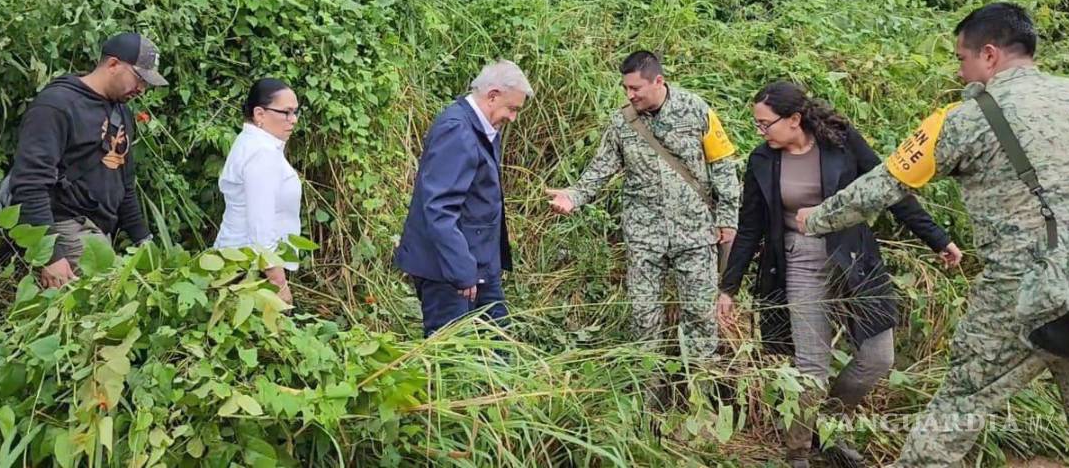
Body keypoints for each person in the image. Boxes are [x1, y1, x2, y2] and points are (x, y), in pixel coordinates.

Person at [796, 2, 1069, 468]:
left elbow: (884, 185)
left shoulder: (964, 118)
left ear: (989, 55)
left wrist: (818, 218)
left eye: (961, 59)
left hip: (1019, 290)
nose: (960, 71)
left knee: (957, 410)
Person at [717, 81, 961, 468]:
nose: (760, 132)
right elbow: (749, 228)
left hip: (854, 260)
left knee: (878, 357)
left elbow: (890, 189)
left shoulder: (841, 143)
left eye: (765, 124)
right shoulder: (762, 161)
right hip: (799, 263)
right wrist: (728, 287)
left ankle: (825, 426)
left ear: (794, 119)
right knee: (811, 367)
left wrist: (937, 239)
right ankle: (799, 451)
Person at [546, 51, 740, 359]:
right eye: (625, 88)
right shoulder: (622, 122)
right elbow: (601, 169)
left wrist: (728, 219)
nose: (629, 94)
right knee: (643, 318)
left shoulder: (696, 110)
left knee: (700, 318)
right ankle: (646, 394)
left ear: (658, 81)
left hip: (695, 234)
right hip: (644, 237)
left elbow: (723, 166)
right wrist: (574, 196)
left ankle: (698, 393)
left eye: (635, 88)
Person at [9, 31, 168, 289]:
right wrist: (51, 254)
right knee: (111, 296)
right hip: (63, 223)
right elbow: (30, 183)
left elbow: (125, 184)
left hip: (98, 229)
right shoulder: (57, 106)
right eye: (139, 78)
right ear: (113, 64)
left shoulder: (122, 113)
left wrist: (144, 241)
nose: (142, 89)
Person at [395, 60, 533, 337]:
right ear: (492, 95)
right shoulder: (457, 130)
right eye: (512, 109)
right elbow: (439, 208)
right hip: (449, 271)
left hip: (476, 265)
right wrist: (462, 272)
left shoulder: (479, 127)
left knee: (498, 344)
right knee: (449, 355)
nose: (513, 118)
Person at [213, 78, 302, 304]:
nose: (293, 120)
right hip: (249, 268)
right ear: (260, 114)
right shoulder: (261, 153)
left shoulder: (252, 144)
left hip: (241, 262)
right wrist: (279, 283)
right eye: (286, 112)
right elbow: (260, 225)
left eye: (296, 112)